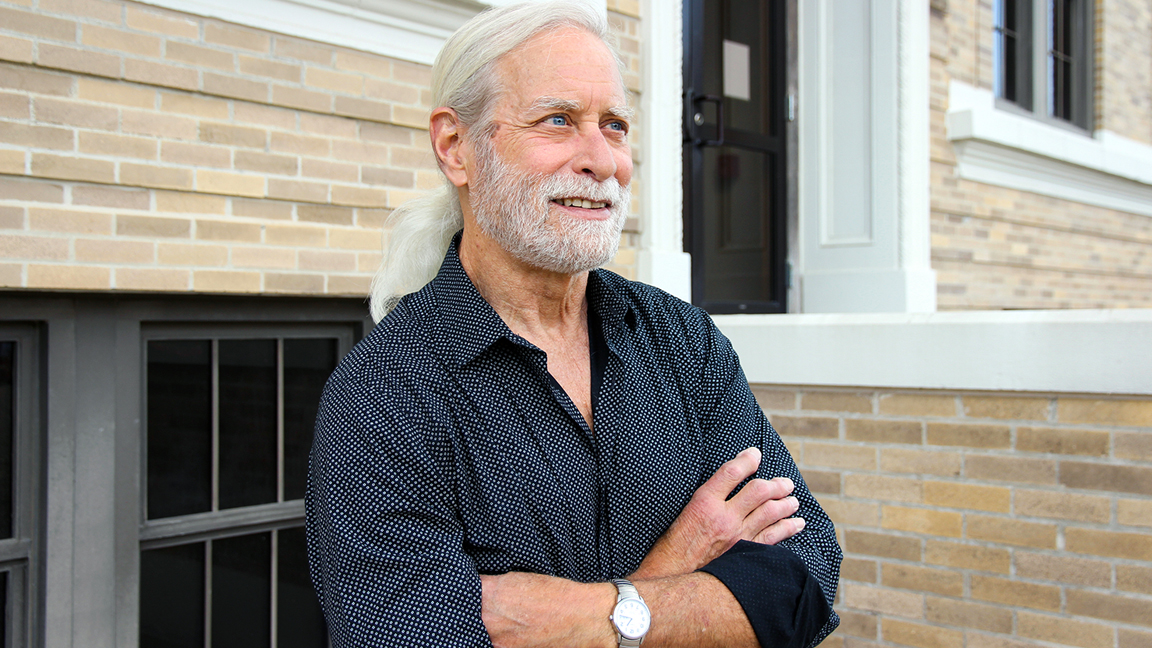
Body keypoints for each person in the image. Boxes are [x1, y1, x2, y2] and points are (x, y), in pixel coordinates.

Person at [306, 3, 842, 647]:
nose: (600, 159)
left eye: (614, 126)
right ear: (457, 149)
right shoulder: (381, 398)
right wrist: (682, 559)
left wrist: (583, 620)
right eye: (558, 120)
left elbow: (808, 579)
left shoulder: (682, 342)